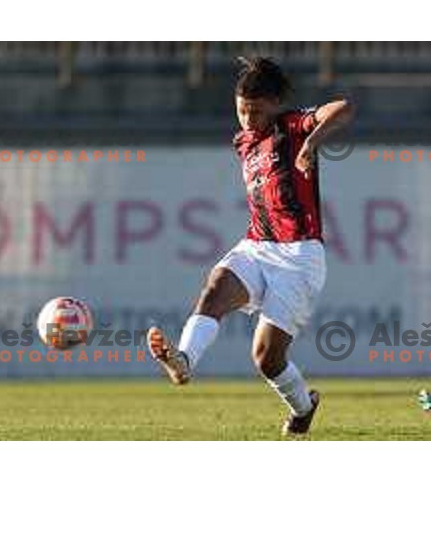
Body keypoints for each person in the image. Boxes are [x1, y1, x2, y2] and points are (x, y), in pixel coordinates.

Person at [147, 57, 355, 436]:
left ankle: (304, 409)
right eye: (241, 110)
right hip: (257, 246)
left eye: (256, 111)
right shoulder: (243, 141)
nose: (247, 119)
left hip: (300, 256)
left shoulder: (291, 126)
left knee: (266, 358)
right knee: (213, 290)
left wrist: (311, 142)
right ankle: (184, 361)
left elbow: (343, 108)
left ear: (275, 104)